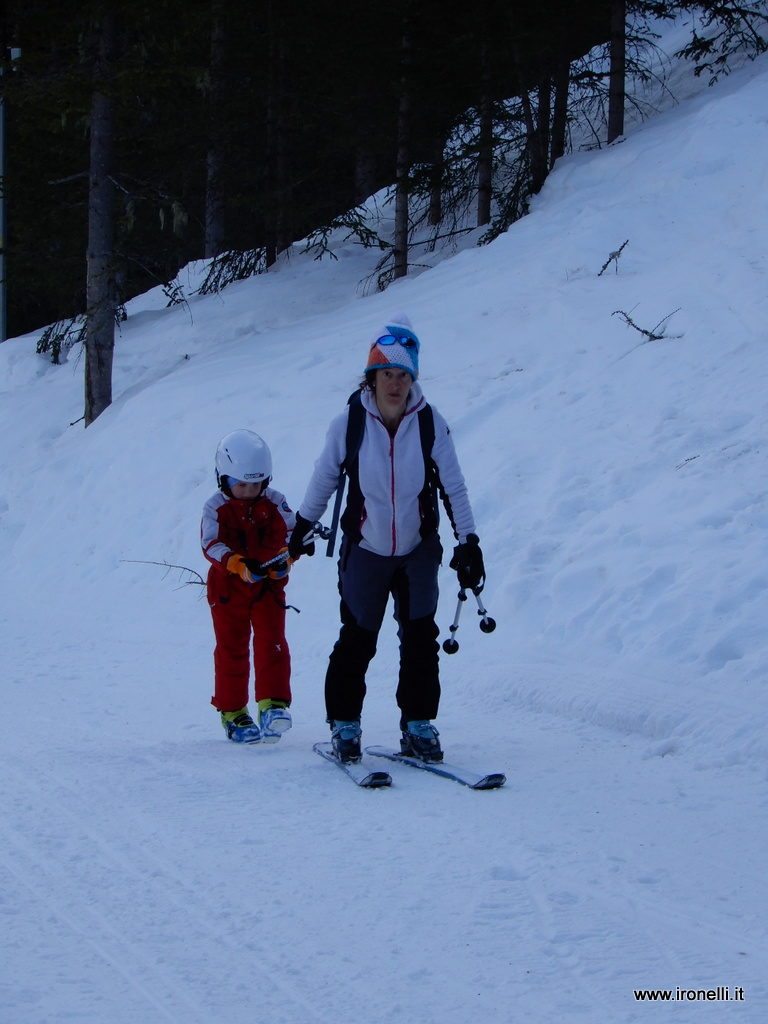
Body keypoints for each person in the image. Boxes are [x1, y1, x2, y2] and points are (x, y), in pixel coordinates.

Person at [288, 314, 485, 763]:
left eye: (403, 374)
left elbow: (453, 486)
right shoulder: (349, 423)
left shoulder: (431, 422)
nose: (394, 384)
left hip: (418, 549)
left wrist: (469, 542)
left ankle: (417, 724)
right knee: (358, 639)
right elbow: (324, 481)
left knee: (420, 640)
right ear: (372, 375)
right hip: (366, 550)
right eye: (386, 373)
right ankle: (344, 725)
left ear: (412, 376)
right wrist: (299, 531)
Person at [202, 429, 301, 744]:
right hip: (228, 589)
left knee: (272, 642)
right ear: (224, 479)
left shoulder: (275, 503)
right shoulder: (215, 508)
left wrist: (285, 560)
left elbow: (291, 534)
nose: (248, 491)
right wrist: (237, 563)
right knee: (232, 649)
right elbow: (211, 543)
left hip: (268, 588)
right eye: (241, 484)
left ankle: (272, 704)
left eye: (256, 484)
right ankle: (233, 712)